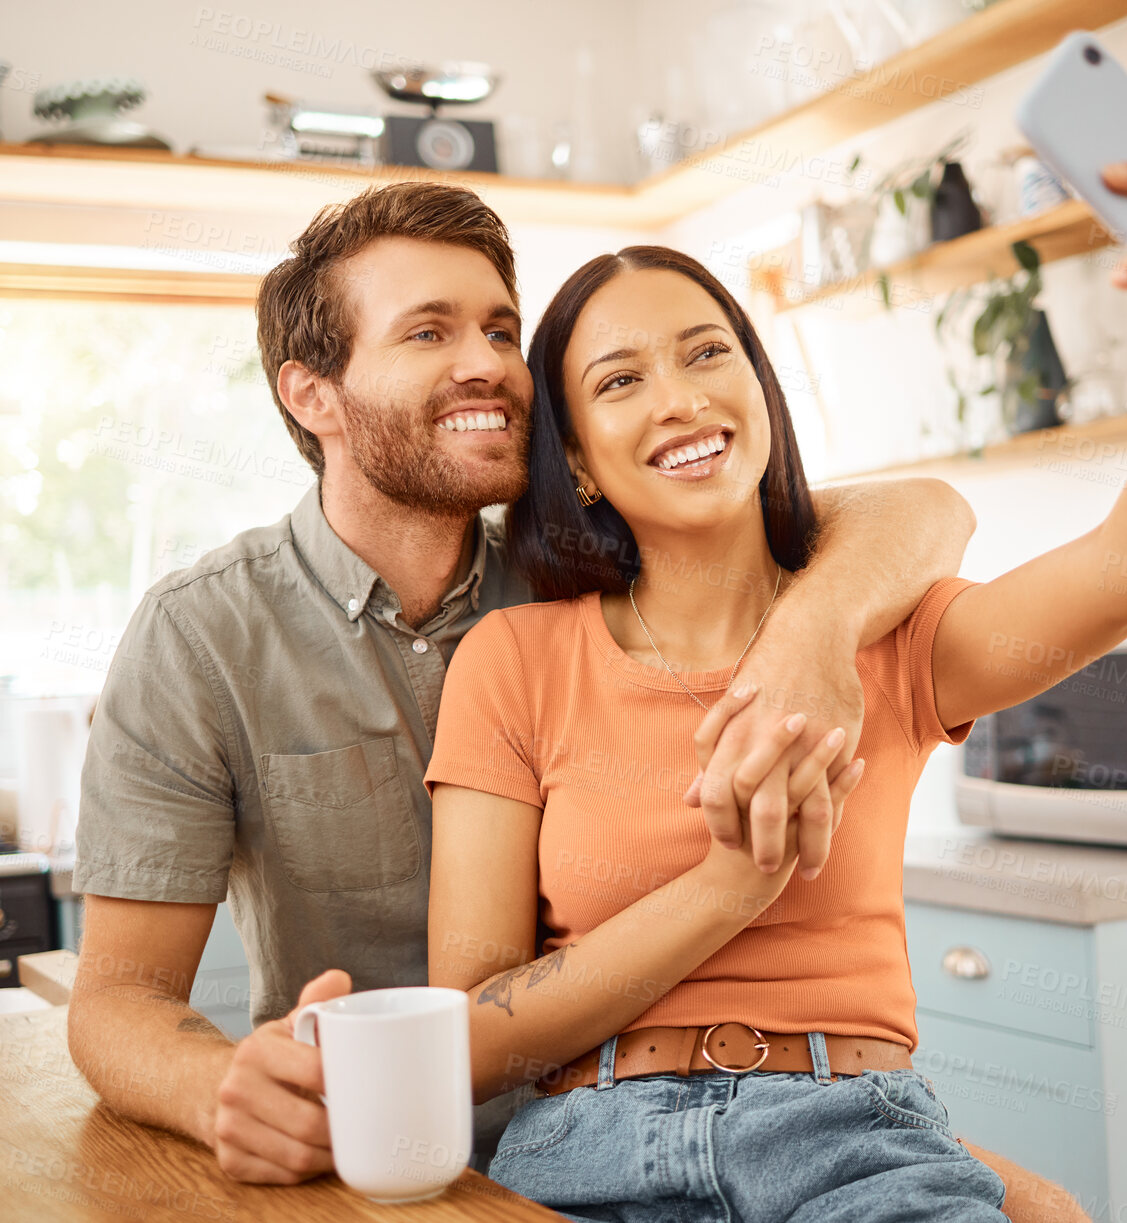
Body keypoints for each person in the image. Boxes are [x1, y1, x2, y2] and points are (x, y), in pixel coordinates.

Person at [424, 112, 1127, 1221]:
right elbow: (466, 1034)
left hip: (847, 1139)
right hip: (582, 1149)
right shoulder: (514, 658)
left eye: (707, 350)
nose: (679, 396)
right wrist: (729, 886)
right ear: (573, 457)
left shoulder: (894, 638)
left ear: (762, 391)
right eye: (618, 381)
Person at [66, 180, 987, 1186]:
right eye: (428, 333)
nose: (489, 366)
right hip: (370, 1161)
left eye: (499, 329)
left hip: (654, 1130)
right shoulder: (201, 635)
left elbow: (912, 511)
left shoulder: (596, 567)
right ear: (311, 393)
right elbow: (114, 1000)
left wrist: (812, 625)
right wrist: (220, 1089)